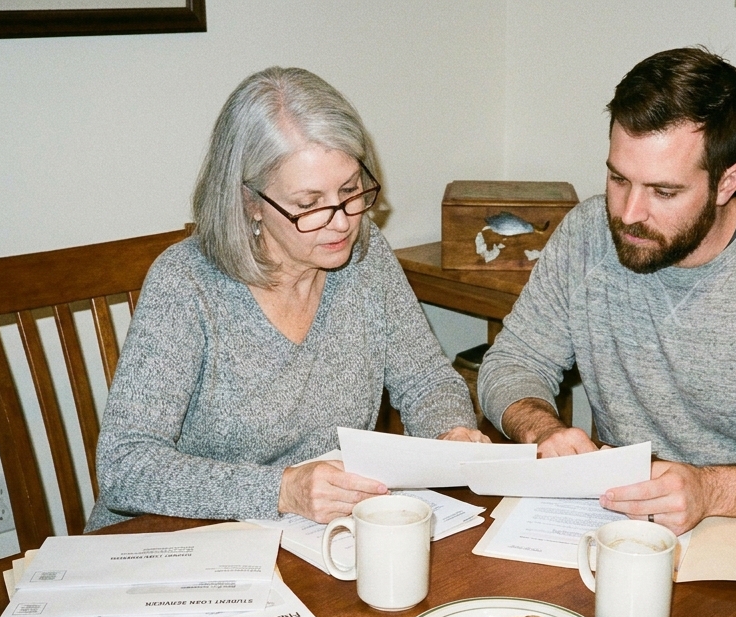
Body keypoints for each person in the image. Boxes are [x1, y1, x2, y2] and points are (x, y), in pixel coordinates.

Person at [477, 47, 736, 535]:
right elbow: (512, 363)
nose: (629, 213)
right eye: (618, 179)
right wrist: (542, 429)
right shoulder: (587, 234)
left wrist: (711, 490)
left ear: (726, 182)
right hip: (625, 524)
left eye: (664, 192)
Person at [87, 67, 485, 532]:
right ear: (250, 202)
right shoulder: (187, 285)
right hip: (182, 545)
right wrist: (281, 490)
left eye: (351, 190)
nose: (341, 223)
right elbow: (124, 466)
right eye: (308, 204)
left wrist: (449, 432)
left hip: (312, 541)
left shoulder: (366, 256)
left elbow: (426, 381)